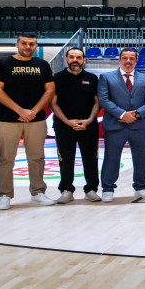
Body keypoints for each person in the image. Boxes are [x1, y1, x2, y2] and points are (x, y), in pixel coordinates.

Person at [0, 32, 56, 209]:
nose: (28, 46)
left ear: (36, 46)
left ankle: (38, 192)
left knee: (37, 158)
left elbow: (50, 90)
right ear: (17, 44)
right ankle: (4, 195)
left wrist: (33, 111)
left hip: (36, 119)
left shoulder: (42, 65)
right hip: (8, 119)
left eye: (32, 44)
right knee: (5, 158)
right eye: (24, 43)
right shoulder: (2, 63)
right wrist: (20, 110)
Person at [97, 48, 145, 202]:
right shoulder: (106, 77)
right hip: (115, 124)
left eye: (131, 58)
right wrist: (122, 114)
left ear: (136, 61)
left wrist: (136, 114)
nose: (128, 61)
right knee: (111, 157)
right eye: (125, 58)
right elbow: (103, 99)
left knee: (141, 158)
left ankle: (141, 187)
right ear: (119, 60)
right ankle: (108, 188)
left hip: (139, 124)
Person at [50, 47, 100, 204]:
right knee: (65, 159)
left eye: (78, 57)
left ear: (83, 60)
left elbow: (97, 102)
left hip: (88, 126)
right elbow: (53, 103)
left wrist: (89, 120)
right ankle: (66, 190)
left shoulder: (92, 78)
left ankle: (91, 190)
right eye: (71, 57)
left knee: (90, 159)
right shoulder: (57, 78)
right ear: (66, 59)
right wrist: (67, 121)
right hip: (64, 126)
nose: (75, 60)